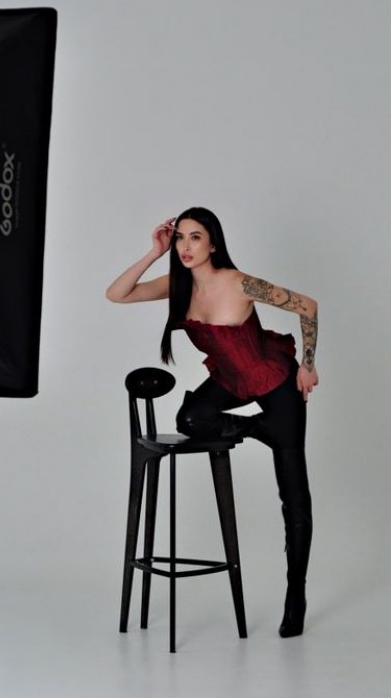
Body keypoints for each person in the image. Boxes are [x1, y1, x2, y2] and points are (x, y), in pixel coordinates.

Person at [106, 207, 319, 638]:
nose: (185, 246)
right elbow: (117, 294)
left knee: (293, 495)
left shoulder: (239, 283)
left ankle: (295, 594)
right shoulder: (179, 286)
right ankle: (259, 429)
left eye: (195, 237)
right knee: (190, 417)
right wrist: (154, 252)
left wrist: (308, 366)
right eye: (180, 238)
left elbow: (308, 306)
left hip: (275, 380)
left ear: (213, 243)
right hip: (230, 380)